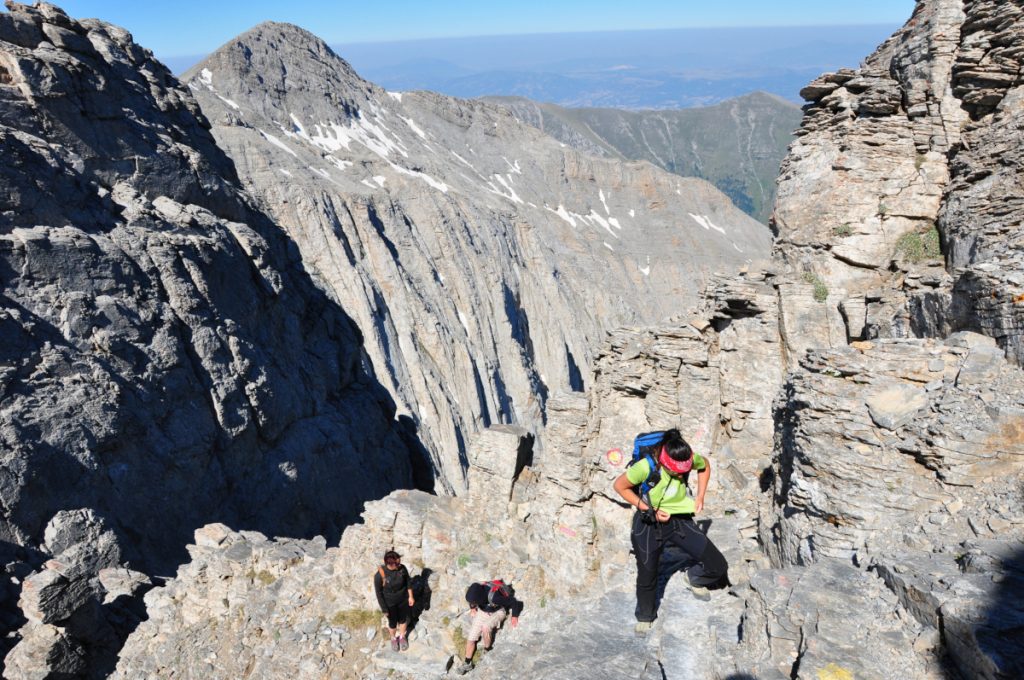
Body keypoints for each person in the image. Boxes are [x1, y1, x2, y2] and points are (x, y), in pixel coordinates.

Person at [612, 428, 728, 633]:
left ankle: (695, 577)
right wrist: (649, 510)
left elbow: (705, 466)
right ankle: (645, 615)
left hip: (680, 520)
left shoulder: (686, 459)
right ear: (665, 462)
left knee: (717, 565)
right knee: (647, 574)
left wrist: (700, 496)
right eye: (677, 472)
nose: (682, 473)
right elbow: (620, 486)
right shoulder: (646, 466)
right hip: (649, 522)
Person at [454, 580, 523, 674]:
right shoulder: (476, 592)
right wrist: (472, 608)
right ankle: (467, 663)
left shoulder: (495, 597)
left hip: (498, 611)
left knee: (485, 627)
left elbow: (514, 602)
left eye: (474, 602)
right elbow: (472, 600)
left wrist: (514, 616)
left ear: (479, 598)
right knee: (471, 639)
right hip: (483, 611)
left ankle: (487, 649)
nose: (473, 603)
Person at [374, 550, 415, 651]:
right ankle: (393, 638)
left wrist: (411, 596)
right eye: (397, 563)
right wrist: (384, 609)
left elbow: (408, 582)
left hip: (403, 600)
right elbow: (379, 594)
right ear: (390, 564)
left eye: (399, 561)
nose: (400, 564)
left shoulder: (402, 569)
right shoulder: (379, 576)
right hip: (390, 604)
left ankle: (402, 637)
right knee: (392, 623)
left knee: (403, 619)